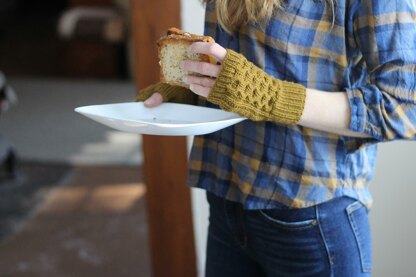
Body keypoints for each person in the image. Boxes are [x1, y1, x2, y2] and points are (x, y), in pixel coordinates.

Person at [137, 0, 416, 276]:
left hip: (309, 219)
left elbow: (405, 107)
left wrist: (270, 96)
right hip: (226, 200)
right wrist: (193, 90)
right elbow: (248, 63)